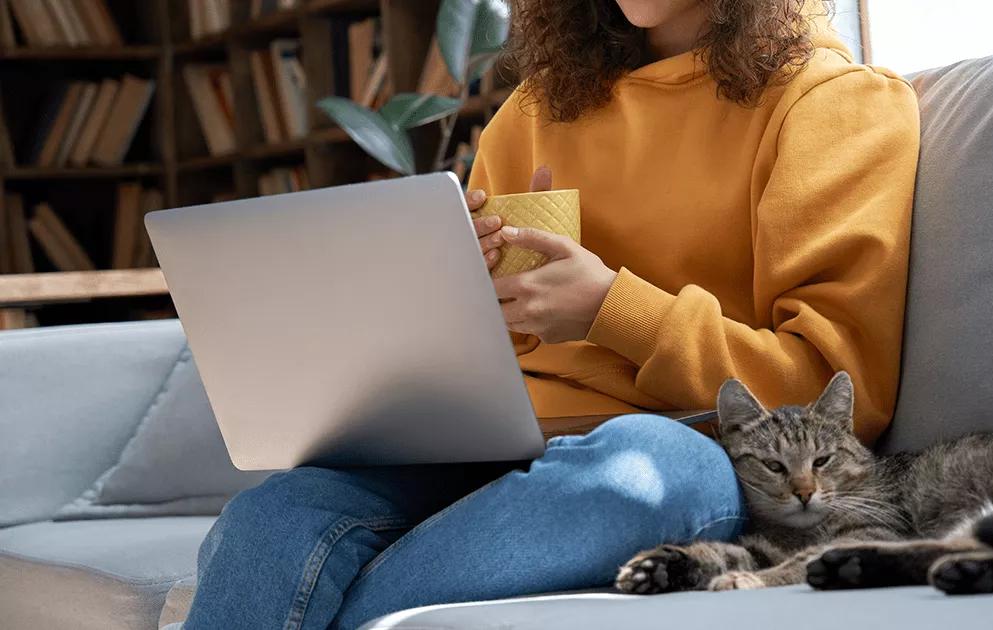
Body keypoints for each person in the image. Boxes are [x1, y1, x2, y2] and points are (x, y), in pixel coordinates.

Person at [182, 1, 918, 628]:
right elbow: (495, 340)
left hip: (685, 445)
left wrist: (609, 307)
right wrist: (453, 291)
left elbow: (829, 386)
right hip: (485, 444)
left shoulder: (835, 102)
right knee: (271, 518)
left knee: (643, 475)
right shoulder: (536, 108)